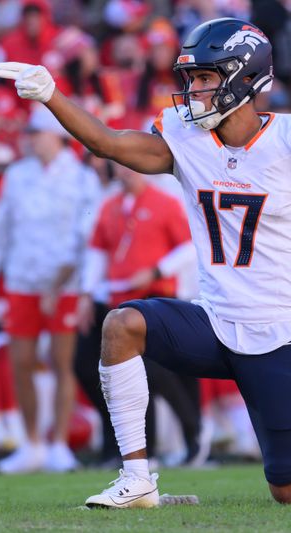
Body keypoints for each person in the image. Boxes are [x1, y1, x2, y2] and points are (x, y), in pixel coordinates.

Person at [0, 17, 291, 507]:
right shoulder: (186, 139)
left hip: (276, 333)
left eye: (206, 78)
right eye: (191, 79)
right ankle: (137, 479)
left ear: (244, 77)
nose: (193, 90)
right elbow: (107, 142)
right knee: (121, 325)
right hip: (212, 322)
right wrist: (52, 95)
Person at [0, 105, 98, 474]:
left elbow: (86, 239)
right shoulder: (17, 175)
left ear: (56, 136)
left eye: (36, 133)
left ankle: (58, 443)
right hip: (22, 280)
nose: (30, 140)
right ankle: (31, 443)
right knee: (21, 362)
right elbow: (1, 227)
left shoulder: (81, 178)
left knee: (62, 363)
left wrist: (63, 282)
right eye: (29, 134)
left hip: (64, 284)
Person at [76, 163, 203, 468]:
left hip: (155, 297)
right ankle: (124, 447)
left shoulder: (164, 202)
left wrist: (157, 270)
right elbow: (98, 252)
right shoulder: (110, 206)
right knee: (89, 367)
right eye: (119, 166)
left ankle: (190, 433)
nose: (125, 171)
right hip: (118, 300)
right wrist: (85, 294)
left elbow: (189, 247)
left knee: (150, 371)